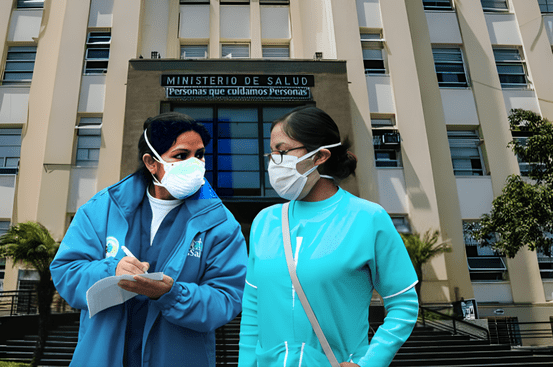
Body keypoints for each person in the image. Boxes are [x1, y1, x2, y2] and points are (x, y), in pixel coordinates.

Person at [51, 112, 248, 367]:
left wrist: (172, 294)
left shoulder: (221, 224)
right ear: (151, 162)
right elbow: (66, 270)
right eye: (181, 156)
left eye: (199, 154)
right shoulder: (102, 209)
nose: (195, 163)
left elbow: (227, 297)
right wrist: (111, 270)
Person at [238, 106, 419, 367]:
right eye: (271, 153)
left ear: (319, 156)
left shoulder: (368, 218)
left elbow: (403, 302)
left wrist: (370, 363)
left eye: (282, 151)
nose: (273, 162)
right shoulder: (265, 221)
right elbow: (253, 307)